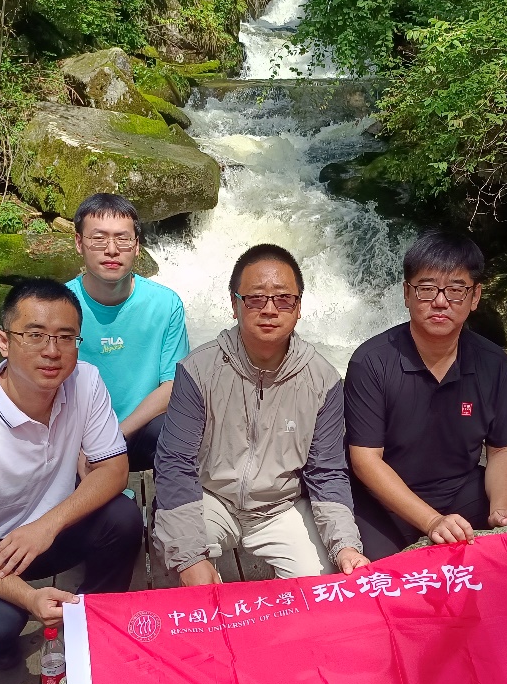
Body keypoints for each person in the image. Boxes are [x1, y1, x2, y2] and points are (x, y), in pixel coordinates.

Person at [0, 278, 143, 668]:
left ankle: (91, 616)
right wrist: (29, 598)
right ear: (4, 342)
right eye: (35, 335)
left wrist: (46, 526)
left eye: (66, 337)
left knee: (124, 517)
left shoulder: (85, 382)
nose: (52, 351)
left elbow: (114, 469)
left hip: (46, 532)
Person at [153, 243, 369, 584]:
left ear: (298, 307)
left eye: (283, 299)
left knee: (322, 582)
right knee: (180, 558)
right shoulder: (198, 370)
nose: (270, 309)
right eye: (255, 298)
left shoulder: (323, 380)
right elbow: (175, 464)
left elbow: (326, 473)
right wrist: (190, 556)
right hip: (211, 497)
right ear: (234, 305)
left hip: (280, 507)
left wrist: (345, 545)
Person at [345, 230, 507, 560]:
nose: (440, 302)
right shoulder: (371, 362)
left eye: (455, 290)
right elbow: (366, 460)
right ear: (407, 293)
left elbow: (501, 449)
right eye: (427, 289)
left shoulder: (492, 362)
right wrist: (432, 521)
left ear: (475, 295)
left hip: (459, 490)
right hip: (383, 501)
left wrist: (500, 510)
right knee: (384, 570)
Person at [66, 193, 190, 471]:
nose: (111, 250)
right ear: (79, 243)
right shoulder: (59, 306)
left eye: (122, 239)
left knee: (182, 428)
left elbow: (173, 385)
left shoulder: (165, 304)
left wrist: (116, 436)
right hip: (75, 438)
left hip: (137, 431)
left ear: (136, 246)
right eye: (99, 239)